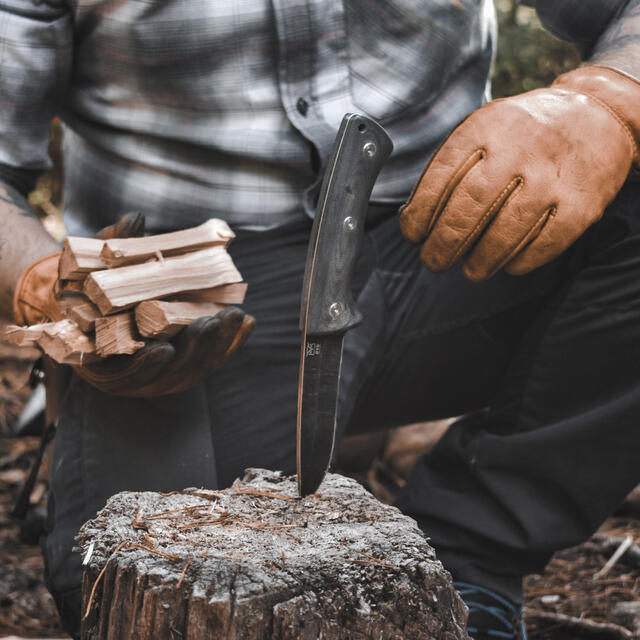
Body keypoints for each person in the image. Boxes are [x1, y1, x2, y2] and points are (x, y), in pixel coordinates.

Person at [2, 1, 640, 638]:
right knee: (160, 581)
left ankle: (472, 562)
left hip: (451, 241)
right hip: (195, 311)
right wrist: (43, 286)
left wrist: (609, 99)